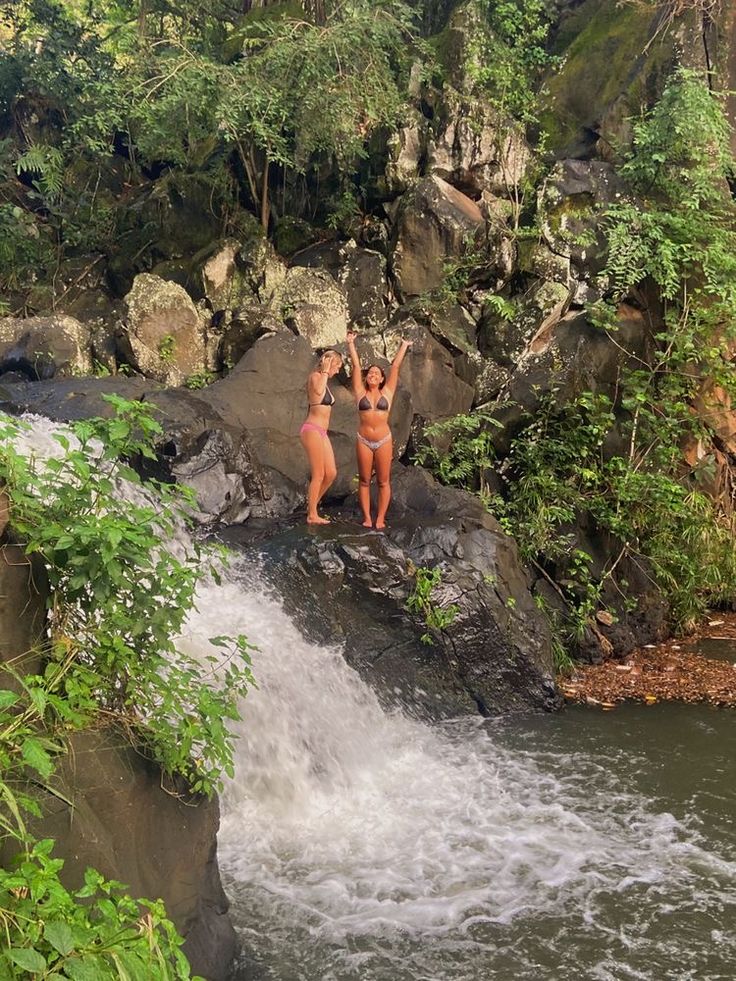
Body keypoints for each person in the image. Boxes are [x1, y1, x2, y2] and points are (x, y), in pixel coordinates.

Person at [346, 331, 412, 529]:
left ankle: (380, 518)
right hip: (364, 439)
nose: (373, 374)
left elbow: (395, 366)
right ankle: (367, 517)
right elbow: (357, 366)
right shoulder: (360, 392)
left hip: (383, 439)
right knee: (365, 480)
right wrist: (351, 343)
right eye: (371, 373)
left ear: (382, 379)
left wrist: (404, 346)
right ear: (367, 379)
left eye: (377, 373)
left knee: (383, 481)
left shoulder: (388, 392)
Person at [300, 349, 343, 525]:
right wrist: (325, 370)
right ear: (329, 363)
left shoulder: (324, 381)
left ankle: (312, 506)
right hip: (312, 429)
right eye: (337, 366)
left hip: (322, 432)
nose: (338, 371)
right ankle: (312, 515)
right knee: (318, 474)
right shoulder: (316, 377)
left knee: (331, 473)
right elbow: (317, 393)